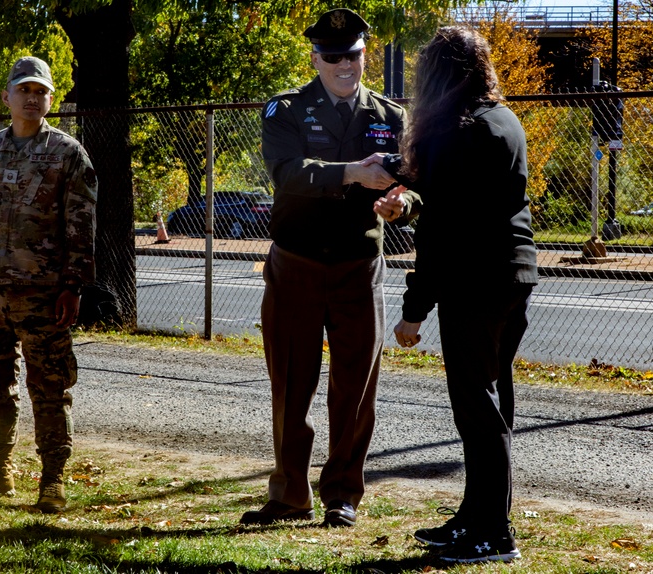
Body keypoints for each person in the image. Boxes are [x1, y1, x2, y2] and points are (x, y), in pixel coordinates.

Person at [240, 8, 419, 528]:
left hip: (358, 267)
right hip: (295, 264)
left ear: (366, 54)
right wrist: (352, 175)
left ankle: (342, 493)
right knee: (291, 383)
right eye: (333, 55)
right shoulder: (286, 110)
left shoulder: (390, 117)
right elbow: (285, 171)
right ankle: (290, 492)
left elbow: (412, 183)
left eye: (354, 54)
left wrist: (400, 206)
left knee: (356, 387)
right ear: (316, 58)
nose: (345, 64)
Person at [380, 27, 539, 562]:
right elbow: (472, 208)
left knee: (477, 409)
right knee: (493, 404)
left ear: (435, 77)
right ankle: (479, 517)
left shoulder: (454, 130)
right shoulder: (504, 121)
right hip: (515, 274)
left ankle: (492, 535)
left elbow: (442, 235)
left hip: (473, 280)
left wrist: (411, 312)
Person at [0, 55, 98, 514]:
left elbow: (81, 224)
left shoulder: (68, 154)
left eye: (40, 91)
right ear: (7, 97)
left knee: (50, 387)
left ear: (51, 98)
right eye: (24, 90)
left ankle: (52, 481)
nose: (32, 98)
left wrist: (74, 285)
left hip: (45, 294)